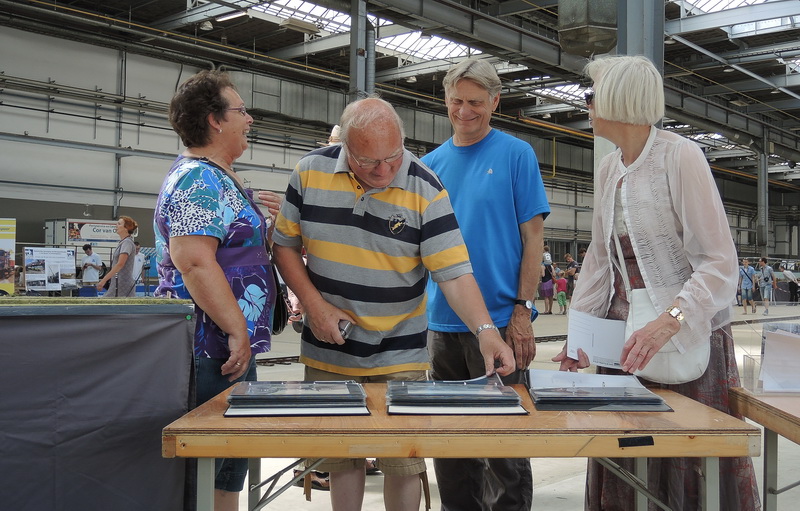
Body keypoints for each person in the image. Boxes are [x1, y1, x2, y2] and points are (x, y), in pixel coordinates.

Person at [272, 96, 515, 511]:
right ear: (345, 147)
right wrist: (314, 305)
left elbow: (453, 273)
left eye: (393, 157)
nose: (384, 171)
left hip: (399, 353)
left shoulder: (424, 185)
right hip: (330, 351)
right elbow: (285, 247)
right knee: (343, 458)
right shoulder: (309, 173)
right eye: (368, 161)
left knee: (403, 460)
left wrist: (486, 332)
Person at [553, 55, 760, 511]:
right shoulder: (609, 168)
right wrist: (579, 336)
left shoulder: (680, 156)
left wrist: (672, 320)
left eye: (591, 96)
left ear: (617, 99)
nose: (586, 105)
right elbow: (599, 261)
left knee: (683, 459)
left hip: (682, 339)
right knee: (627, 458)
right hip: (626, 343)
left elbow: (720, 260)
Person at [421, 58, 549, 511]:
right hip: (441, 326)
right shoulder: (430, 165)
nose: (465, 111)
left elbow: (533, 237)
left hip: (499, 321)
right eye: (456, 101)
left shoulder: (517, 155)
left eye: (476, 102)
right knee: (452, 449)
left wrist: (522, 310)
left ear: (495, 101)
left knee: (504, 448)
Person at [154, 69, 282, 511]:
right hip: (212, 344)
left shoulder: (220, 177)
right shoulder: (197, 180)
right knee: (211, 464)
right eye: (241, 110)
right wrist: (237, 329)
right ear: (214, 120)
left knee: (227, 466)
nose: (249, 119)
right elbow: (193, 261)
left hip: (227, 344)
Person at [96, 216, 138, 297]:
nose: (116, 225)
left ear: (126, 228)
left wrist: (103, 280)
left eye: (119, 224)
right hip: (118, 282)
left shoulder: (127, 243)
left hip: (122, 284)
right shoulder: (124, 242)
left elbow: (120, 264)